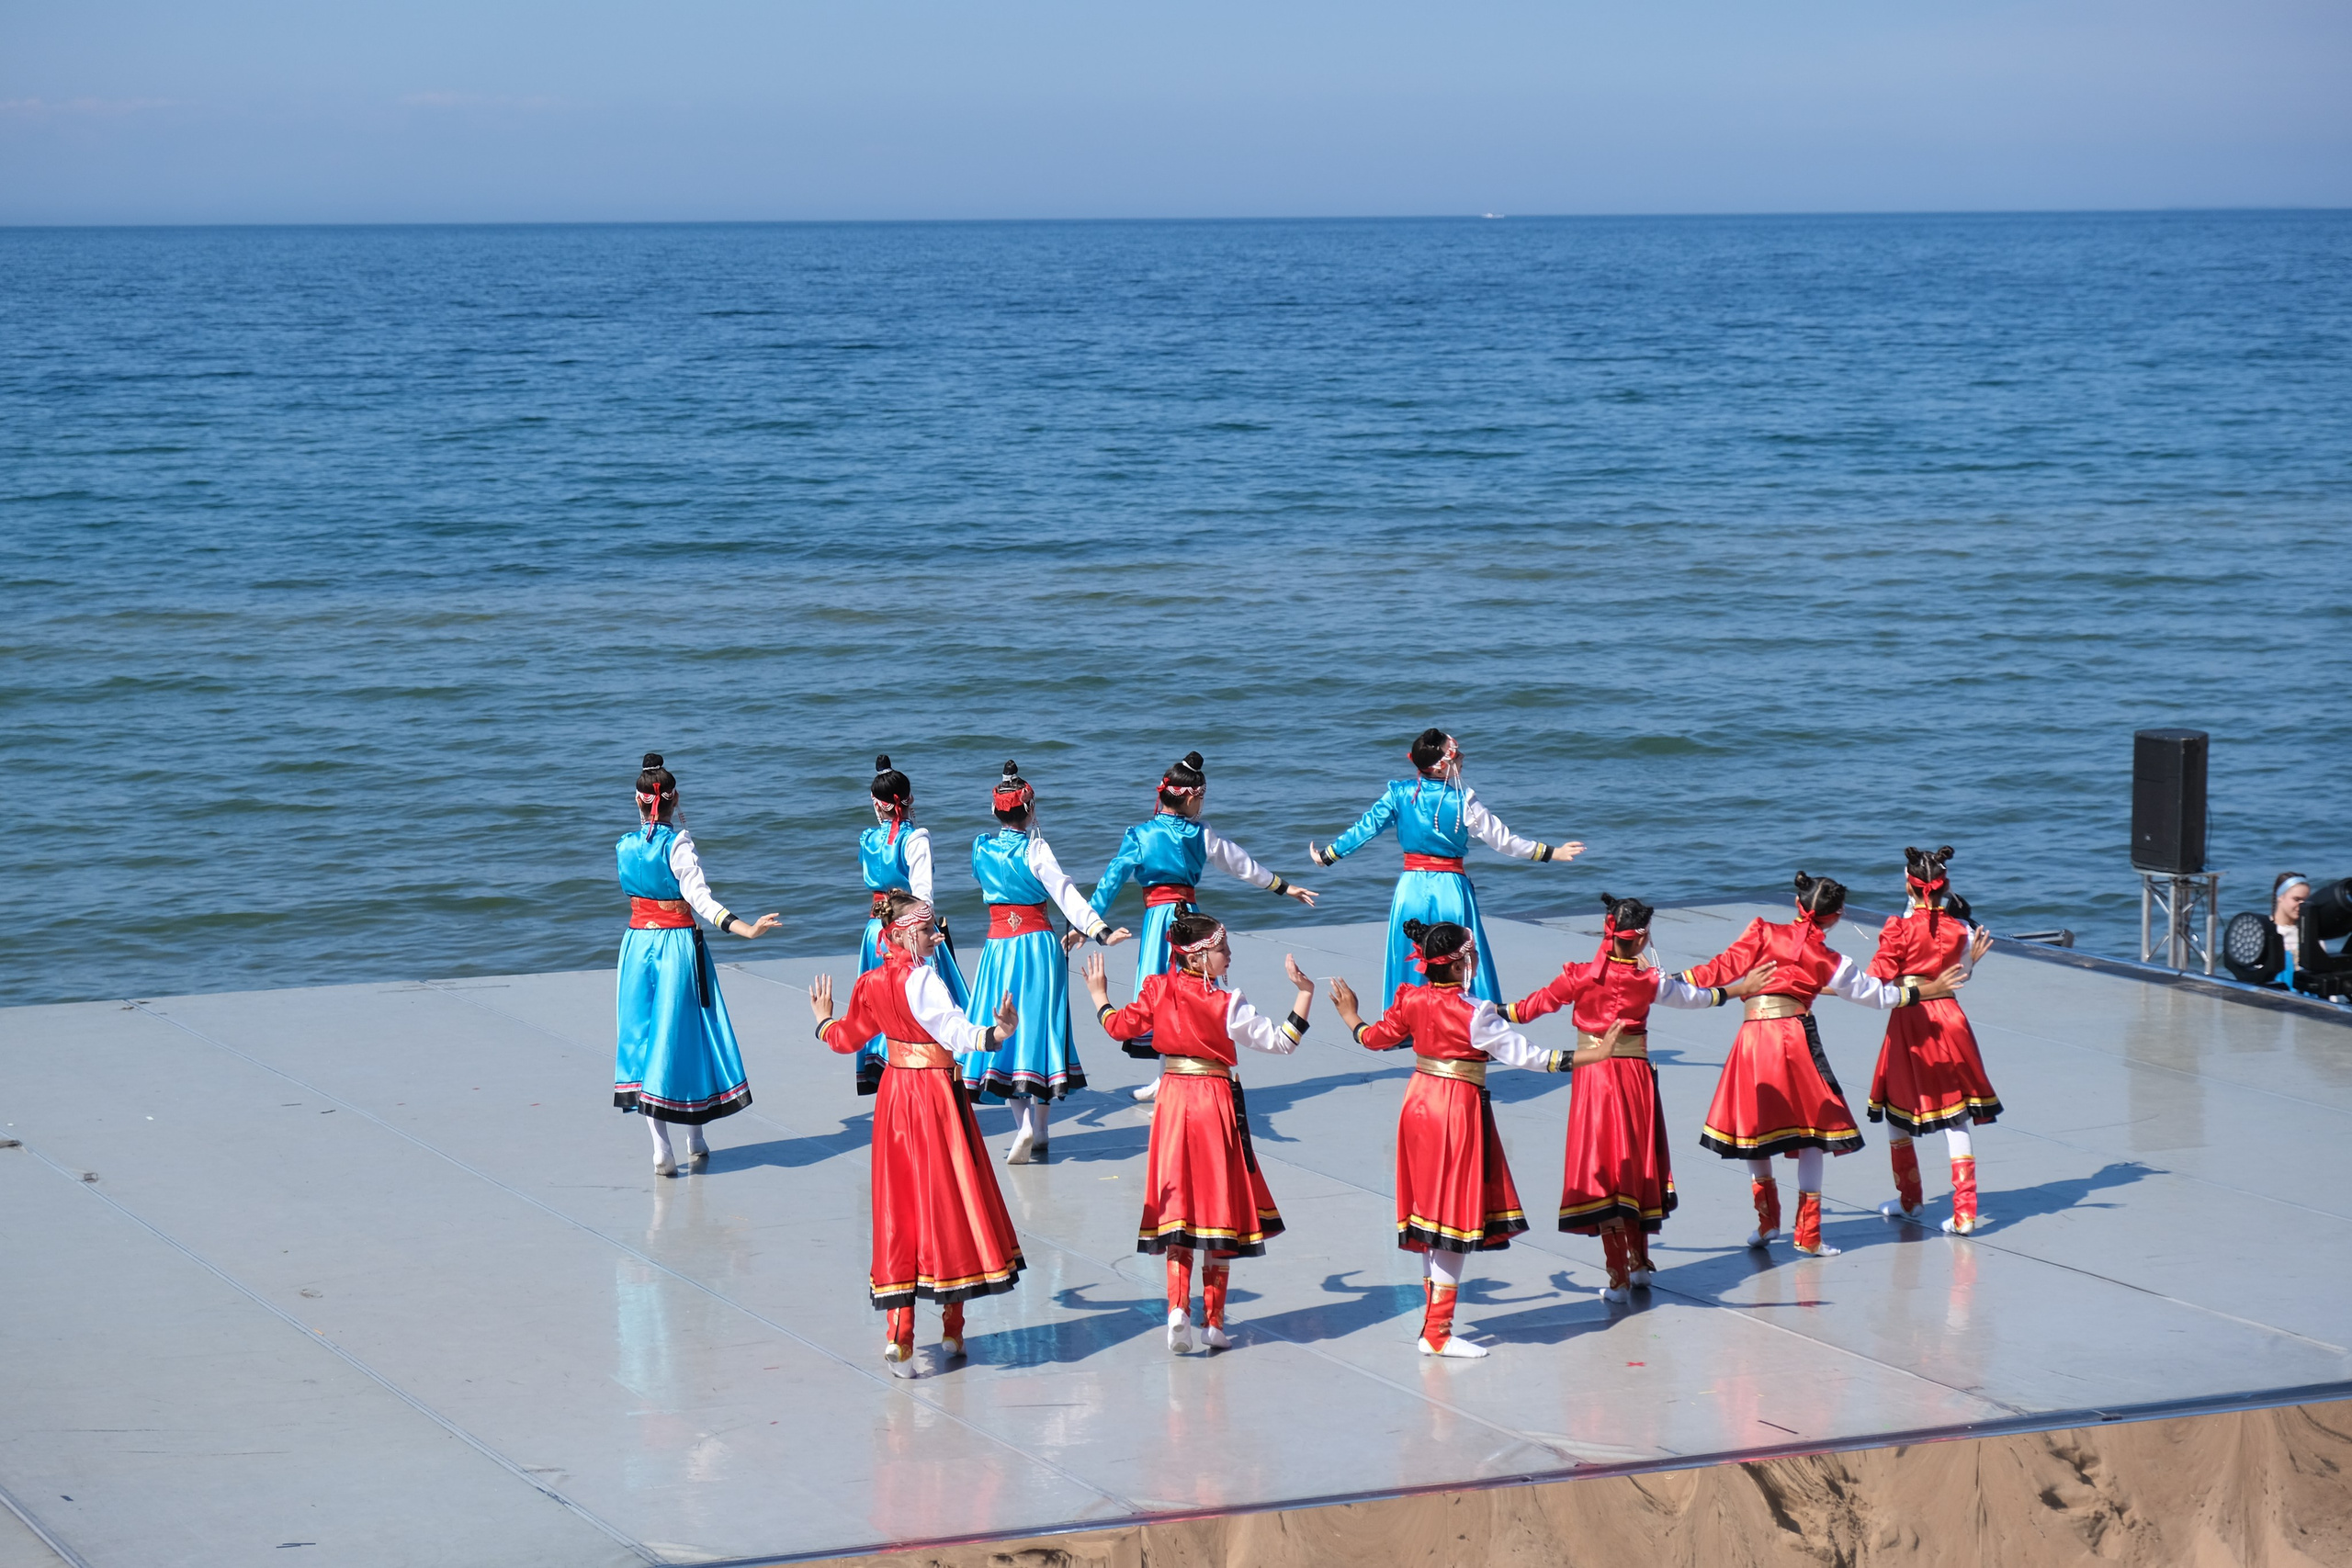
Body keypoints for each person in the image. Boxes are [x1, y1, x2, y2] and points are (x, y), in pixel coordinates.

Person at [1675, 873, 1973, 1258]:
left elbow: (1716, 969)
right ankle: (1808, 1233)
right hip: (1794, 1039)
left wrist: (1669, 980)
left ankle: (1767, 1221)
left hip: (1752, 1039)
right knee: (1812, 1131)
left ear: (1799, 905)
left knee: (1754, 1124)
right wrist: (1923, 990)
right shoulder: (1828, 958)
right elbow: (1874, 995)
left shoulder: (1762, 932)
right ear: (1837, 915)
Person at [1506, 894, 1776, 1302]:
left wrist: (1478, 1009)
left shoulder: (1579, 975)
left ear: (1606, 930)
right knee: (1635, 1162)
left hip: (1594, 1077)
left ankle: (1617, 1276)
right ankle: (1639, 1263)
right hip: (1634, 1077)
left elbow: (1527, 1009)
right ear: (1644, 937)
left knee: (1604, 1167)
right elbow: (1698, 997)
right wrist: (1741, 988)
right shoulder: (1649, 981)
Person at [1329, 919, 1568, 1359]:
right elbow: (1529, 1056)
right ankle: (1437, 1333)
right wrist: (1582, 1058)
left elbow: (1374, 1039)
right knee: (1453, 1215)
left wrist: (1350, 1015)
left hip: (1418, 1102)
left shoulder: (1412, 1000)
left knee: (1429, 1213)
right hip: (1455, 1107)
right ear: (1461, 963)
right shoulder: (1475, 1012)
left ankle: (1434, 1327)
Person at [809, 892, 1024, 1376]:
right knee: (947, 1201)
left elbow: (847, 1039)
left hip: (893, 1098)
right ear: (905, 933)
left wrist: (823, 1022)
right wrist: (998, 1034)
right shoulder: (924, 979)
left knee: (900, 1206)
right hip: (933, 1098)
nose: (937, 937)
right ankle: (951, 1327)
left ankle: (900, 1336)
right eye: (929, 931)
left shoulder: (870, 981)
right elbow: (956, 1033)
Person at [1083, 911, 1310, 1352]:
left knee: (1179, 1205)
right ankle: (1214, 1323)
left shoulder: (1157, 988)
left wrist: (1099, 995)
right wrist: (1304, 994)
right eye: (1224, 949)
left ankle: (1176, 1310)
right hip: (1213, 1101)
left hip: (1172, 1101)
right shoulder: (1229, 1003)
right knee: (1217, 1208)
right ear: (1203, 955)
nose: (1230, 955)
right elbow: (1283, 1041)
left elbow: (1117, 1027)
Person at [1090, 750, 1317, 1105]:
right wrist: (1281, 885)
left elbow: (1111, 880)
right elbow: (1239, 863)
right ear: (1191, 797)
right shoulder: (1201, 834)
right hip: (1190, 918)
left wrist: (1089, 923)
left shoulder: (1140, 834)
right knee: (1187, 989)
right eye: (1202, 798)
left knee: (1161, 990)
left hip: (1157, 920)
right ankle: (1166, 1073)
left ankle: (1167, 1074)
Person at [1310, 729, 1580, 1009]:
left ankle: (1406, 1018)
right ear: (1443, 765)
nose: (1463, 758)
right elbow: (1504, 841)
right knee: (1460, 952)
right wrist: (1551, 853)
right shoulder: (1463, 800)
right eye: (1457, 755)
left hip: (1411, 886)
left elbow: (1365, 828)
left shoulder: (1399, 795)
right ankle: (1473, 1018)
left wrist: (1329, 855)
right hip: (1451, 887)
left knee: (1410, 949)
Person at [613, 752, 779, 1175]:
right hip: (677, 949)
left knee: (644, 1039)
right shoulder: (678, 843)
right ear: (674, 800)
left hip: (636, 947)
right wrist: (745, 928)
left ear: (636, 801)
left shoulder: (625, 847)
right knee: (685, 1037)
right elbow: (701, 900)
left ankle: (660, 1146)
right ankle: (695, 1136)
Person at [961, 761, 1132, 1162]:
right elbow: (1065, 894)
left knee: (1004, 1028)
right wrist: (1099, 930)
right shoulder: (1036, 848)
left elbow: (985, 882)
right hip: (1039, 946)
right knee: (1040, 1029)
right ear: (1031, 810)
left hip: (1000, 945)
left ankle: (1022, 1125)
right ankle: (1038, 1129)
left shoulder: (980, 848)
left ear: (994, 811)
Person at [1866, 847, 2000, 1235]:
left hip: (1913, 1017)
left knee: (1896, 1107)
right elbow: (1963, 975)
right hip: (1951, 1017)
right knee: (1956, 1114)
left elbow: (1878, 979)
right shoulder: (1962, 929)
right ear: (1946, 887)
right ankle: (1965, 1211)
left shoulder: (1898, 928)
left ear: (1909, 885)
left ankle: (1911, 1199)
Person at [852, 755, 971, 1095]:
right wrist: (925, 934)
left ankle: (892, 1076)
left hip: (875, 932)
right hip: (907, 933)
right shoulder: (916, 838)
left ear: (876, 805)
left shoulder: (868, 840)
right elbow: (923, 900)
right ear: (909, 799)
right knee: (925, 1004)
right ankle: (930, 1074)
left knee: (883, 1005)